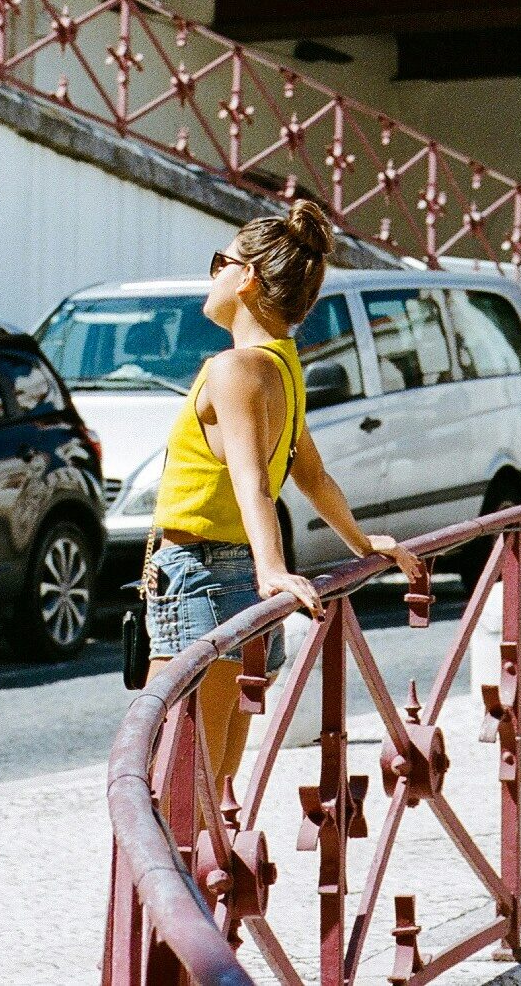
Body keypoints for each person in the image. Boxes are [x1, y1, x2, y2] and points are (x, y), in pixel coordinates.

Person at [146, 196, 424, 779]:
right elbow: (311, 475)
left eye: (217, 262)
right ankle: (208, 872)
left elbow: (252, 480)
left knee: (171, 779)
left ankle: (189, 874)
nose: (212, 274)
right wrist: (357, 540)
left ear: (245, 277)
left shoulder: (234, 368)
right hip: (234, 580)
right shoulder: (282, 364)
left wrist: (272, 566)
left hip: (200, 579)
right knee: (209, 780)